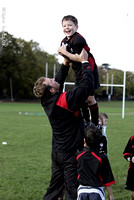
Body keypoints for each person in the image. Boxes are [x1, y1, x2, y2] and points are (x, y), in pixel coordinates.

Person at [33, 49, 94, 200]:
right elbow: (86, 86)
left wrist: (65, 64)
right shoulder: (64, 100)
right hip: (68, 154)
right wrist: (85, 62)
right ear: (52, 90)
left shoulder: (45, 99)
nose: (54, 78)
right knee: (72, 189)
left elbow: (58, 80)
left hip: (57, 152)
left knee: (55, 187)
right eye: (51, 80)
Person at [58, 15, 100, 126]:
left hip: (88, 70)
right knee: (80, 99)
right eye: (64, 25)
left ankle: (95, 124)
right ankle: (86, 121)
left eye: (70, 25)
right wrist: (63, 55)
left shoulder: (78, 39)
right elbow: (70, 59)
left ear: (76, 27)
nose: (67, 28)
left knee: (90, 99)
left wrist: (65, 53)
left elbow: (80, 58)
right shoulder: (63, 41)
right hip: (78, 73)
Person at [76, 124, 115, 200]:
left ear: (84, 140)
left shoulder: (78, 156)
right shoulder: (102, 158)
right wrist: (110, 194)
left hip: (81, 191)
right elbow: (107, 178)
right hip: (97, 192)